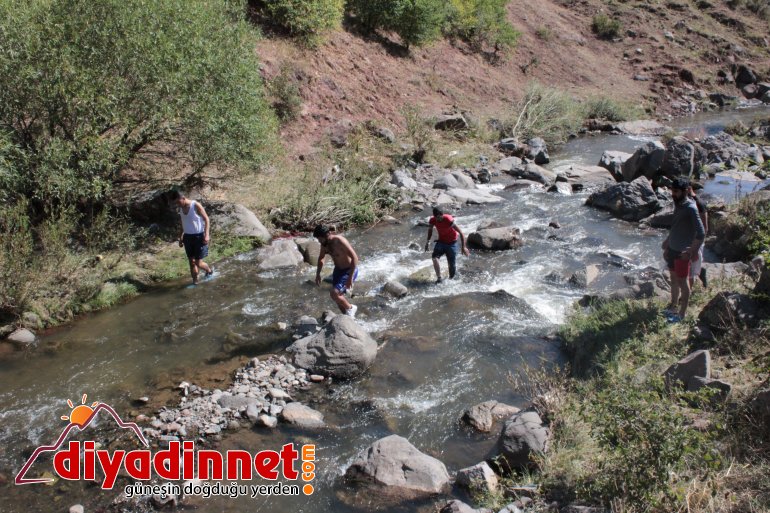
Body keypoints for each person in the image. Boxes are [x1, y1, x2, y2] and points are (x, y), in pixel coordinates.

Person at [661, 178, 706, 323]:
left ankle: (682, 314)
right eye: (672, 191)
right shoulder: (679, 205)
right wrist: (668, 242)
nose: (673, 194)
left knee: (683, 283)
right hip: (673, 249)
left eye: (676, 191)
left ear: (686, 191)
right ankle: (673, 306)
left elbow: (701, 233)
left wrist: (691, 251)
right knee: (673, 280)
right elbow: (677, 226)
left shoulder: (691, 208)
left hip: (682, 253)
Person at [314, 225, 359, 318]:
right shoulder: (324, 245)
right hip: (338, 271)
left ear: (326, 235)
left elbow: (355, 257)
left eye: (320, 239)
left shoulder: (339, 241)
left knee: (334, 293)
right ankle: (348, 317)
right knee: (337, 298)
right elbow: (321, 258)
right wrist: (318, 274)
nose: (319, 241)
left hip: (349, 270)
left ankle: (351, 308)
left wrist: (350, 278)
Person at [168, 190, 212, 286]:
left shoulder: (195, 205)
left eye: (178, 202)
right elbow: (182, 224)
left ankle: (209, 270)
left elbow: (206, 219)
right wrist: (180, 238)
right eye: (175, 203)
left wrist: (207, 235)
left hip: (199, 236)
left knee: (198, 263)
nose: (177, 205)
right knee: (191, 262)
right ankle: (195, 282)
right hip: (187, 237)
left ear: (183, 198)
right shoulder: (181, 208)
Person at [424, 207, 470, 283]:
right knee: (434, 257)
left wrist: (463, 247)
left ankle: (451, 281)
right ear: (434, 216)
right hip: (441, 242)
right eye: (436, 218)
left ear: (442, 215)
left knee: (451, 267)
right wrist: (427, 242)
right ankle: (439, 278)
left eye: (439, 217)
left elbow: (461, 233)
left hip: (452, 243)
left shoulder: (448, 219)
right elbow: (430, 231)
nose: (438, 219)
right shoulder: (432, 220)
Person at [688, 184, 709, 290]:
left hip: (697, 239)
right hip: (688, 238)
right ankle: (701, 271)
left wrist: (696, 247)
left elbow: (705, 228)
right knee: (690, 265)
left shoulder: (699, 203)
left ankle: (686, 295)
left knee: (690, 268)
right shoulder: (685, 202)